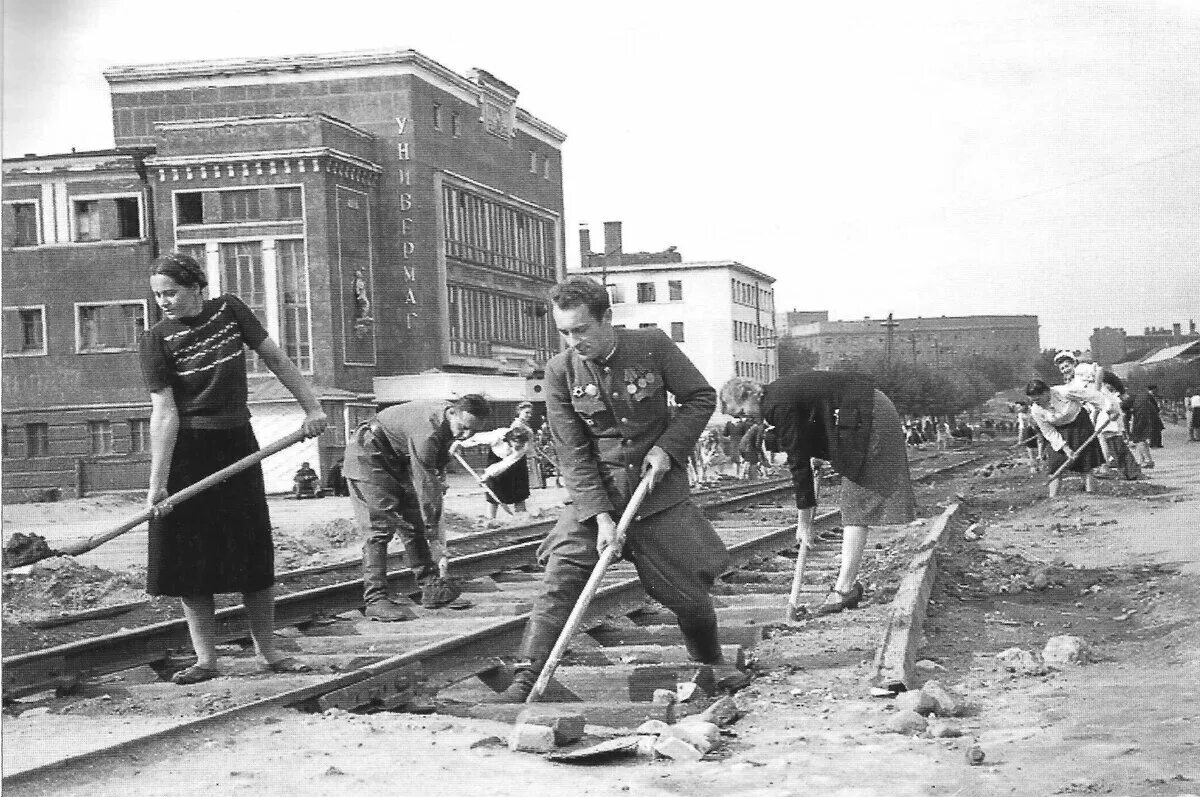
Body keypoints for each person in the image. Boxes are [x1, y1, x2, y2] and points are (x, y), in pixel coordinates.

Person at [489, 275, 747, 702]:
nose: (573, 341)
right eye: (565, 332)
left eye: (581, 330)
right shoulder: (559, 372)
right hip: (596, 496)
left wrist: (668, 448)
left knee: (687, 589)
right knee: (560, 576)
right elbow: (572, 451)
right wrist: (601, 517)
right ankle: (527, 676)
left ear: (607, 318)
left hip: (657, 493)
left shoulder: (653, 346)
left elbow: (700, 397)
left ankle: (710, 661)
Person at [140, 252, 329, 685]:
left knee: (251, 551)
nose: (164, 302)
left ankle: (270, 653)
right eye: (157, 295)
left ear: (196, 287)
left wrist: (313, 407)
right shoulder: (155, 340)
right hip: (187, 453)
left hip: (236, 445)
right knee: (189, 559)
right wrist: (158, 484)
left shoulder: (230, 311)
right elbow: (164, 413)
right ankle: (206, 661)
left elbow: (277, 359)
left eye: (171, 292)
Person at [720, 372, 916, 617]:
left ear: (748, 395)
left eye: (740, 412)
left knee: (856, 503)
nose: (744, 419)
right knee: (854, 503)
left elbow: (798, 467)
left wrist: (803, 524)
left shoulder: (777, 405)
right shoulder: (776, 398)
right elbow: (815, 424)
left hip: (870, 415)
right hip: (865, 410)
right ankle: (847, 587)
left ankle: (844, 590)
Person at [343, 395, 490, 621]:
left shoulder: (447, 422)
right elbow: (425, 482)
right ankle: (375, 599)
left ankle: (431, 588)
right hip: (367, 455)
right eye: (463, 428)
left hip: (396, 457)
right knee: (380, 528)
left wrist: (439, 479)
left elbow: (434, 467)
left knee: (413, 522)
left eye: (473, 432)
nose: (466, 435)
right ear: (452, 412)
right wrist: (434, 537)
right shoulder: (428, 430)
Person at [1025, 378, 1115, 497]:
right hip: (1058, 430)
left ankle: (1091, 496)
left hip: (1080, 424)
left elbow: (1092, 396)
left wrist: (1109, 409)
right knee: (1055, 464)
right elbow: (1048, 431)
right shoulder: (1036, 410)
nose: (1037, 403)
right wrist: (1066, 448)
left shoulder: (1064, 392)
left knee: (1085, 463)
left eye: (1038, 399)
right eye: (1034, 400)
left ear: (1047, 392)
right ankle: (1053, 499)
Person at [453, 404, 535, 523]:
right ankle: (490, 520)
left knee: (519, 493)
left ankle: (521, 520)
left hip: (515, 465)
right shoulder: (498, 435)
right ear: (511, 440)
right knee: (493, 490)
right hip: (495, 457)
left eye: (520, 446)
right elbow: (478, 438)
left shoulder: (521, 449)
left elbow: (506, 464)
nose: (518, 448)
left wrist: (487, 474)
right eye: (516, 445)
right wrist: (460, 444)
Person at [1097, 372, 1142, 480]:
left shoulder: (1110, 394)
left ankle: (1131, 472)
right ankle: (1128, 471)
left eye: (1111, 384)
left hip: (1111, 425)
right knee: (1114, 450)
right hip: (1107, 425)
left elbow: (1113, 409)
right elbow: (1107, 408)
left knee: (1118, 450)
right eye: (1107, 383)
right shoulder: (1103, 392)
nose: (1109, 386)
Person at [1128, 384, 1163, 468]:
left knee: (1140, 439)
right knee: (1140, 440)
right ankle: (1142, 460)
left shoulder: (1142, 397)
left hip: (1143, 420)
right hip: (1147, 420)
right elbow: (1157, 409)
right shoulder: (1148, 397)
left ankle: (1146, 460)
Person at [1015, 402, 1045, 474]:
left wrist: (1039, 432)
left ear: (1024, 405)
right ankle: (1033, 466)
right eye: (1017, 408)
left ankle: (1040, 457)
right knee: (1029, 447)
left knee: (1041, 443)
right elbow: (1021, 427)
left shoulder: (1033, 409)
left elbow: (1040, 421)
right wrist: (1020, 440)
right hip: (1031, 429)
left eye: (1019, 407)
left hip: (1041, 427)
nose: (1018, 409)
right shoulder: (1020, 414)